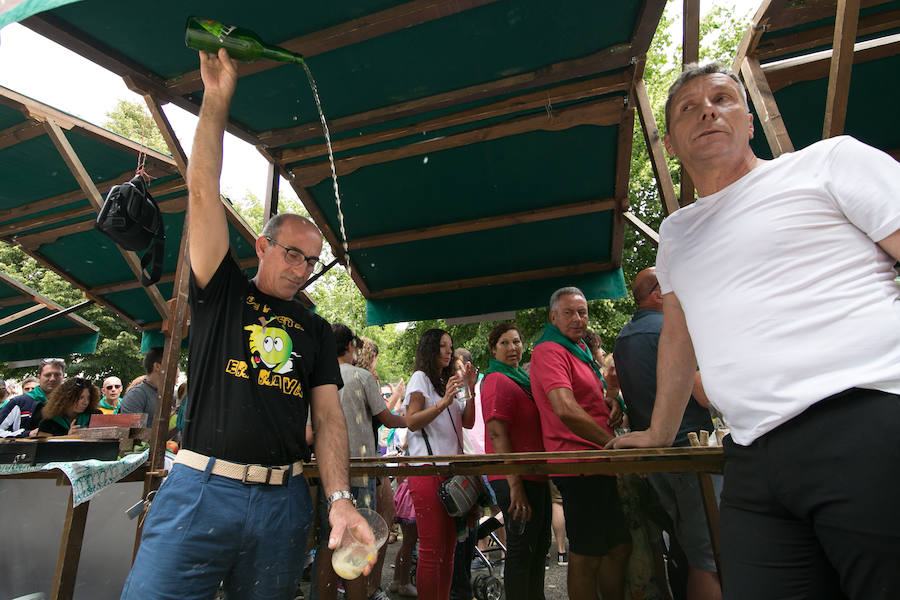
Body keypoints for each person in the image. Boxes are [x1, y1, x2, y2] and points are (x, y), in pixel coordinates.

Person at [609, 62, 900, 599]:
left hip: (866, 417)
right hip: (751, 453)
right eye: (688, 109)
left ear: (749, 121)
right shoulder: (677, 234)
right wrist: (656, 432)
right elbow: (678, 336)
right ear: (672, 144)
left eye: (722, 99)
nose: (708, 111)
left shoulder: (827, 162)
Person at [121, 47, 370, 599]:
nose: (301, 269)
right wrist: (217, 100)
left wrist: (340, 499)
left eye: (311, 260)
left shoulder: (315, 330)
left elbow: (329, 420)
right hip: (200, 488)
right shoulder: (222, 289)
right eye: (291, 254)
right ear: (262, 246)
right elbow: (203, 190)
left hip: (282, 503)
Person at [615, 267, 721, 600]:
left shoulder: (622, 339)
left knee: (682, 547)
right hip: (690, 455)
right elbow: (704, 394)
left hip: (657, 459)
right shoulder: (671, 331)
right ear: (660, 293)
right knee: (709, 557)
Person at [530, 287, 631, 600]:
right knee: (588, 553)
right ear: (553, 317)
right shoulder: (549, 350)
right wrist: (611, 443)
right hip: (579, 465)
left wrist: (611, 401)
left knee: (617, 547)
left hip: (597, 463)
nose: (578, 318)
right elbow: (565, 408)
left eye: (582, 311)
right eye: (569, 312)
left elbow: (588, 400)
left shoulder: (578, 350)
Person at [316, 324, 406, 600]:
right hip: (360, 471)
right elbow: (388, 419)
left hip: (326, 473)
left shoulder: (319, 378)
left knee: (327, 542)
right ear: (351, 347)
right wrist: (414, 419)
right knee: (358, 543)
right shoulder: (362, 377)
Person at [404, 328, 476, 600]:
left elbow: (467, 421)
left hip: (451, 474)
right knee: (432, 549)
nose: (449, 351)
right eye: (443, 346)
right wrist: (444, 401)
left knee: (448, 550)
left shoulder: (447, 381)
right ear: (430, 349)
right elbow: (412, 420)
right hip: (427, 472)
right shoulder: (420, 379)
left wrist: (469, 390)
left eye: (450, 346)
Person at [481, 323, 551, 600]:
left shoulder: (519, 378)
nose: (513, 348)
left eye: (517, 342)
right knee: (522, 549)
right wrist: (516, 487)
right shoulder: (497, 380)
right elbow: (497, 434)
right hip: (514, 478)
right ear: (493, 349)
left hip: (535, 474)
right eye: (505, 343)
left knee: (538, 544)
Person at [0, 358, 65, 437]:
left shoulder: (70, 403)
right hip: (25, 449)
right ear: (39, 377)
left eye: (57, 375)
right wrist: (28, 434)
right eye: (47, 375)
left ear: (63, 376)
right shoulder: (19, 402)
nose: (52, 379)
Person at [37, 377, 101, 436]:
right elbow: (44, 447)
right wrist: (68, 438)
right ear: (66, 398)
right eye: (80, 398)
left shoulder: (95, 416)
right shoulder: (48, 423)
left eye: (88, 398)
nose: (86, 402)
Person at [117, 347, 163, 423]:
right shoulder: (136, 395)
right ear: (157, 366)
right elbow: (133, 431)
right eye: (172, 364)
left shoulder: (163, 393)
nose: (176, 368)